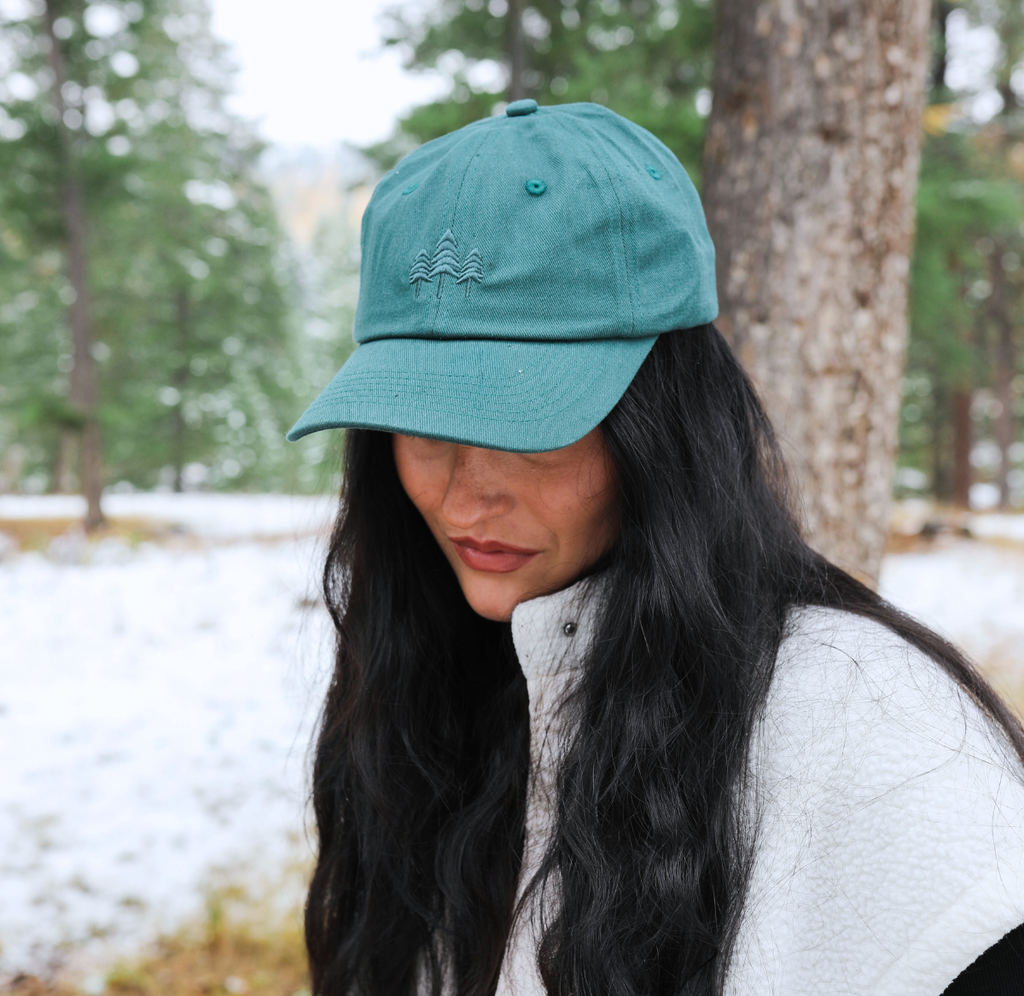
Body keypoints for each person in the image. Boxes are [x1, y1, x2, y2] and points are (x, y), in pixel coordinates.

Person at [287, 100, 1024, 995]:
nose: (463, 495)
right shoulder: (433, 682)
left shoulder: (870, 735)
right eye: (424, 426)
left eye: (526, 423)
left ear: (663, 420)